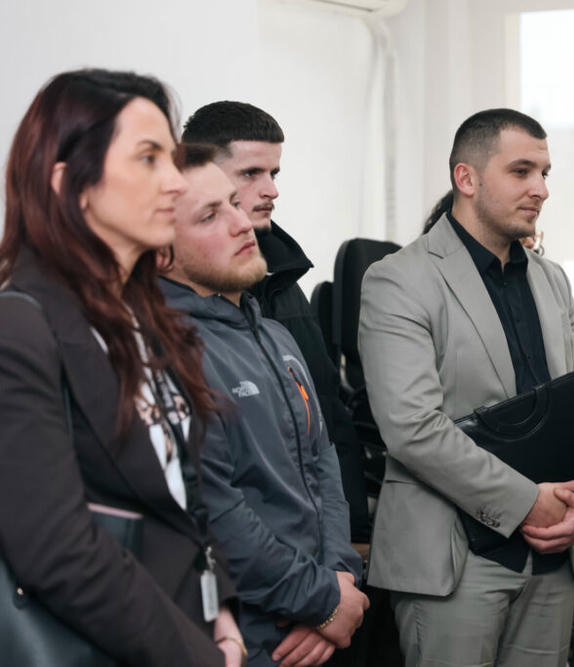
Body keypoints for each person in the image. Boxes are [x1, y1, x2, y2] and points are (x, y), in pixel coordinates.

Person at [0, 69, 244, 666]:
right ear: (70, 183)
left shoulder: (147, 320)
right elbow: (58, 551)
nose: (175, 182)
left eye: (172, 159)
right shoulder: (20, 328)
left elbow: (182, 496)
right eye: (148, 158)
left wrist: (223, 616)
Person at [358, 108, 574, 666]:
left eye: (545, 173)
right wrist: (527, 504)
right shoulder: (399, 279)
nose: (541, 189)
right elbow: (413, 428)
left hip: (553, 557)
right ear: (466, 178)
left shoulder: (552, 279)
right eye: (521, 171)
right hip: (453, 559)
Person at [159, 143, 368, 666]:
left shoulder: (276, 335)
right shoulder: (166, 350)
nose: (242, 223)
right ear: (161, 251)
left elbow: (322, 465)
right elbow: (215, 511)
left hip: (317, 618)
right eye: (210, 215)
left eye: (234, 203)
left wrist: (339, 579)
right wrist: (321, 600)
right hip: (245, 633)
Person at [180, 102, 369, 542]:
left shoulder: (284, 280)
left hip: (322, 545)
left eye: (274, 173)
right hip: (246, 553)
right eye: (251, 174)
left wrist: (351, 538)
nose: (272, 190)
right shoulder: (171, 300)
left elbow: (326, 420)